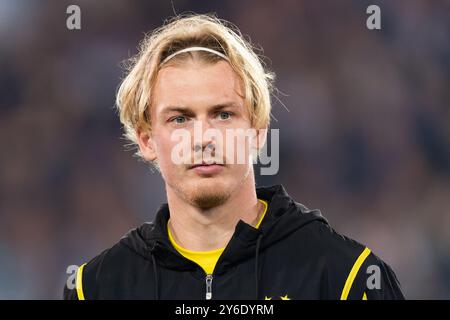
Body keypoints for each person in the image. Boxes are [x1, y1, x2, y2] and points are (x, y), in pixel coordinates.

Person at [64, 13, 404, 300]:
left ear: (257, 130)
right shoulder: (95, 288)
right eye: (180, 118)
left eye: (223, 114)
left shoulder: (345, 277)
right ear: (147, 140)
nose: (203, 138)